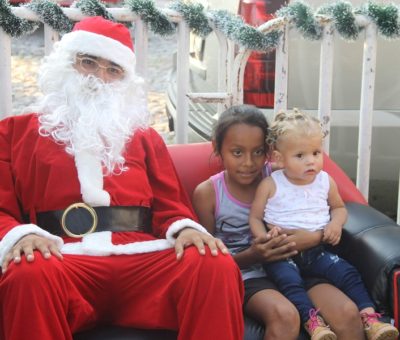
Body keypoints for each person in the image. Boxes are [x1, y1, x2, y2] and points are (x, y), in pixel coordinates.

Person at [0, 16, 244, 340]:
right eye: (89, 62)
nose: (100, 77)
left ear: (125, 81)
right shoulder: (13, 132)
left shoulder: (143, 136)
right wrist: (19, 236)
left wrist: (185, 228)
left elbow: (171, 205)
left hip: (140, 260)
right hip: (61, 257)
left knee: (214, 265)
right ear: (65, 65)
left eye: (113, 70)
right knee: (27, 273)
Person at [192, 104, 368, 340]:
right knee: (285, 315)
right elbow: (207, 260)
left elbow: (329, 204)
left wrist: (316, 236)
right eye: (237, 152)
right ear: (218, 148)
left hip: (300, 262)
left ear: (270, 151)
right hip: (249, 273)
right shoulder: (208, 193)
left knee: (347, 313)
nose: (249, 162)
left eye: (257, 152)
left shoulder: (284, 174)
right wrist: (253, 255)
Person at [249, 109, 399, 340]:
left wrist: (335, 225)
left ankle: (371, 318)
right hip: (282, 252)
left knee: (348, 273)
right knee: (291, 283)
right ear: (279, 158)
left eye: (316, 152)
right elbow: (256, 217)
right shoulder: (271, 184)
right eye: (300, 155)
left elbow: (339, 208)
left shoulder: (324, 181)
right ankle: (313, 323)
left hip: (318, 251)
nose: (311, 160)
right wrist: (264, 239)